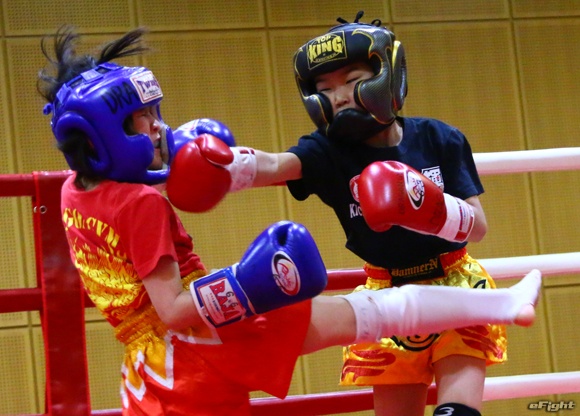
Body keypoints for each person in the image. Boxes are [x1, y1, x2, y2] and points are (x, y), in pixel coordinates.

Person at [37, 25, 541, 416]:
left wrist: (225, 165)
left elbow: (477, 225)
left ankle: (501, 302)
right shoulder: (142, 203)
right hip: (203, 341)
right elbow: (172, 307)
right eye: (142, 119)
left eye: (353, 82)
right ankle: (504, 302)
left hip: (150, 367)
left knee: (366, 313)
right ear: (105, 137)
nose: (157, 128)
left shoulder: (72, 192)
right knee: (370, 311)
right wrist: (248, 282)